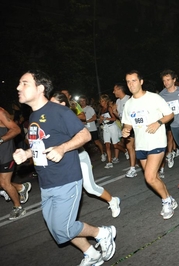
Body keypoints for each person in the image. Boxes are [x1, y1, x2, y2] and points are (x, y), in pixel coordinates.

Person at [13, 70, 116, 265]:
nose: (19, 87)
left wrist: (62, 148)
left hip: (66, 178)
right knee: (58, 231)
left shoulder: (59, 111)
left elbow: (84, 135)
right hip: (46, 182)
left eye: (24, 83)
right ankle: (92, 254)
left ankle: (103, 232)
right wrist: (26, 153)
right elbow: (41, 143)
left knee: (63, 227)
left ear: (40, 88)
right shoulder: (35, 115)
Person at [51, 92, 121, 218]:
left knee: (90, 188)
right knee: (64, 190)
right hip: (63, 160)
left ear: (62, 104)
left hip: (78, 155)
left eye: (54, 104)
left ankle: (112, 200)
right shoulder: (51, 120)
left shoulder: (69, 116)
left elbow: (84, 129)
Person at [121, 70, 178, 219]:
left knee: (150, 177)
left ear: (141, 82)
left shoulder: (154, 98)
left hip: (156, 141)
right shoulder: (128, 104)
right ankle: (170, 199)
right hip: (140, 145)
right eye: (128, 81)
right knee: (155, 177)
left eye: (134, 80)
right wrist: (126, 131)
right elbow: (127, 124)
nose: (131, 84)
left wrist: (158, 122)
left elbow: (169, 114)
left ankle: (166, 202)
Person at [0, 106, 31, 220]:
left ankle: (18, 207)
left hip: (5, 153)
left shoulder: (1, 112)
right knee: (1, 183)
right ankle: (20, 187)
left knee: (4, 183)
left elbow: (16, 129)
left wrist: (1, 139)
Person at [113, 83, 138, 178]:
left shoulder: (129, 99)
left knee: (134, 146)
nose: (113, 92)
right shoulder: (118, 101)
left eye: (115, 89)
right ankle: (132, 168)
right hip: (125, 126)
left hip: (133, 125)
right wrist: (115, 112)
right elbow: (120, 117)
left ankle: (138, 165)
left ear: (119, 89)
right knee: (129, 146)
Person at [99, 94, 128, 168]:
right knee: (107, 145)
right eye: (100, 101)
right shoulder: (101, 110)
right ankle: (109, 162)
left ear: (105, 101)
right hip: (106, 128)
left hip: (112, 127)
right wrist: (101, 119)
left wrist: (106, 119)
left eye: (102, 101)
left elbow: (114, 118)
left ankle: (125, 151)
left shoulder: (109, 108)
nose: (101, 102)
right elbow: (100, 121)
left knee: (115, 145)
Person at [78, 95, 106, 162]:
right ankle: (87, 158)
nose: (82, 102)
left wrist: (86, 121)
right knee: (84, 144)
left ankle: (103, 154)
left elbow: (94, 117)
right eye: (81, 101)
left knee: (96, 142)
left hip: (92, 128)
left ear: (86, 101)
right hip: (84, 130)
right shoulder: (79, 110)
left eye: (84, 101)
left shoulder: (89, 108)